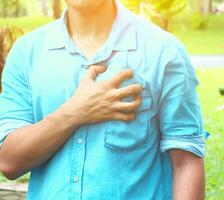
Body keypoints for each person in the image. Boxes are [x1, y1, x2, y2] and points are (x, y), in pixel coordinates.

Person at [0, 0, 209, 199]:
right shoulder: (27, 52)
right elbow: (9, 162)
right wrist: (74, 113)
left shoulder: (163, 52)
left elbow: (186, 163)